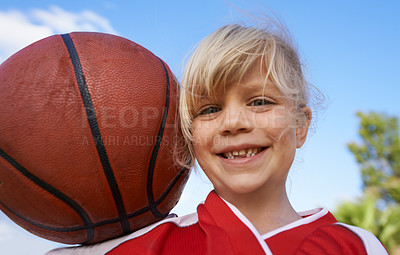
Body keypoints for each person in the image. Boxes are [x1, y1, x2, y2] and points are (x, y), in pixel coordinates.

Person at [48, 21, 388, 254]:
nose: (233, 123)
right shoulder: (143, 246)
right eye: (209, 109)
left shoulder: (357, 245)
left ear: (300, 125)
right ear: (190, 135)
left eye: (260, 102)